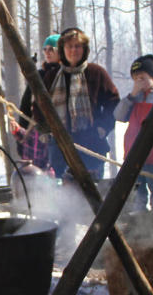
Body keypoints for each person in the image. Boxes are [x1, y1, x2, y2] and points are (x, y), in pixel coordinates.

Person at [35, 27, 119, 180]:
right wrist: (45, 130)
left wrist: (102, 127)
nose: (73, 50)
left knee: (92, 194)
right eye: (69, 46)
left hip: (91, 145)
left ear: (84, 49)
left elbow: (113, 102)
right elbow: (40, 106)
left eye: (77, 46)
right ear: (62, 49)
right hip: (60, 147)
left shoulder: (96, 73)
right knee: (64, 195)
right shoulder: (51, 77)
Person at [114, 54, 153, 210]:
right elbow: (118, 115)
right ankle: (140, 230)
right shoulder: (133, 98)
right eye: (136, 78)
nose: (139, 81)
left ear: (152, 76)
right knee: (138, 197)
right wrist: (131, 96)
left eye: (142, 77)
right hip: (133, 154)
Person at [13, 33, 61, 172]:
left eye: (51, 49)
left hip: (57, 136)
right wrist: (21, 138)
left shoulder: (65, 75)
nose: (47, 52)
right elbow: (26, 107)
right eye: (45, 49)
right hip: (36, 136)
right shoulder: (39, 75)